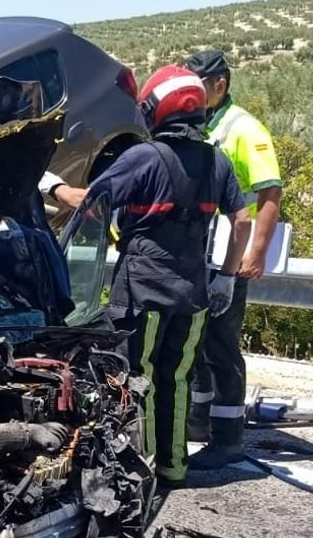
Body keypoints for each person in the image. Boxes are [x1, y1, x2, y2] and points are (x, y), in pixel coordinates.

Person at [51, 65, 247, 489]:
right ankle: (173, 467)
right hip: (193, 295)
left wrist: (49, 185)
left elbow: (89, 202)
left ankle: (139, 468)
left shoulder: (142, 158)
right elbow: (242, 221)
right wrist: (226, 276)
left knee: (133, 378)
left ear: (157, 110)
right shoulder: (218, 161)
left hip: (141, 293)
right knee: (175, 378)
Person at [182, 48, 283, 470]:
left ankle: (229, 438)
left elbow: (269, 191)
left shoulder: (243, 128)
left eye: (196, 87)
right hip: (199, 254)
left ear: (219, 85)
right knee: (198, 343)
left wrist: (256, 252)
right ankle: (199, 421)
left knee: (222, 344)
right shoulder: (198, 125)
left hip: (230, 255)